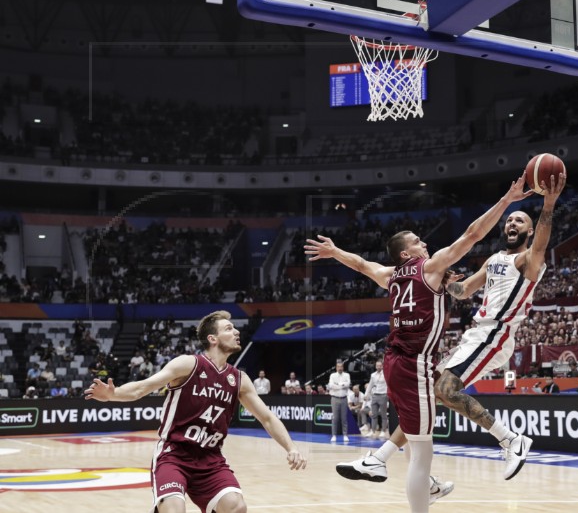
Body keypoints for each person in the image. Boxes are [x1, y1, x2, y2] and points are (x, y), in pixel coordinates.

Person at [306, 173, 538, 511]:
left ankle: (385, 460)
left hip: (396, 360)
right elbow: (472, 235)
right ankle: (503, 441)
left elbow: (360, 264)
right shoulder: (430, 266)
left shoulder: (390, 276)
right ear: (406, 253)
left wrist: (334, 250)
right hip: (415, 363)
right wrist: (506, 200)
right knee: (423, 445)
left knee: (426, 418)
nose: (423, 242)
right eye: (417, 241)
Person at [84, 310, 307, 513]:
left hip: (211, 459)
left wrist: (291, 447)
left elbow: (267, 418)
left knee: (236, 506)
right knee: (174, 510)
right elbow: (143, 387)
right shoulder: (188, 364)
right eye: (228, 328)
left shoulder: (240, 379)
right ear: (213, 339)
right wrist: (113, 394)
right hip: (174, 454)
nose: (236, 331)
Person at [364, 359, 389, 439]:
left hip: (383, 395)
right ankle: (372, 430)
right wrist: (366, 394)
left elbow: (389, 384)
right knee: (374, 414)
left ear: (383, 366)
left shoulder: (386, 373)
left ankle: (383, 431)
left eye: (380, 366)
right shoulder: (373, 375)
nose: (378, 367)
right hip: (374, 396)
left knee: (383, 415)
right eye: (377, 366)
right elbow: (370, 385)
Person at [328, 360, 351, 442]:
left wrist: (337, 385)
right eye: (338, 367)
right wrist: (342, 385)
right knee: (335, 418)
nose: (340, 368)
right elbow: (330, 385)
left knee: (344, 418)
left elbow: (348, 384)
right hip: (334, 398)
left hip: (344, 398)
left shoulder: (347, 375)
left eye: (341, 366)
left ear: (343, 367)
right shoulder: (332, 375)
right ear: (336, 367)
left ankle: (345, 435)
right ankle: (334, 435)